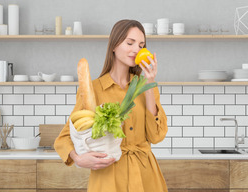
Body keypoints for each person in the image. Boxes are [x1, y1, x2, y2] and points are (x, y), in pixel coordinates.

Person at [54, 19, 168, 192]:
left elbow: (156, 136)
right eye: (130, 43)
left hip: (146, 177)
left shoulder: (146, 87)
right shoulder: (93, 89)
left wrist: (149, 84)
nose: (136, 49)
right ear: (114, 46)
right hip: (108, 178)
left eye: (141, 45)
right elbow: (64, 137)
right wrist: (78, 158)